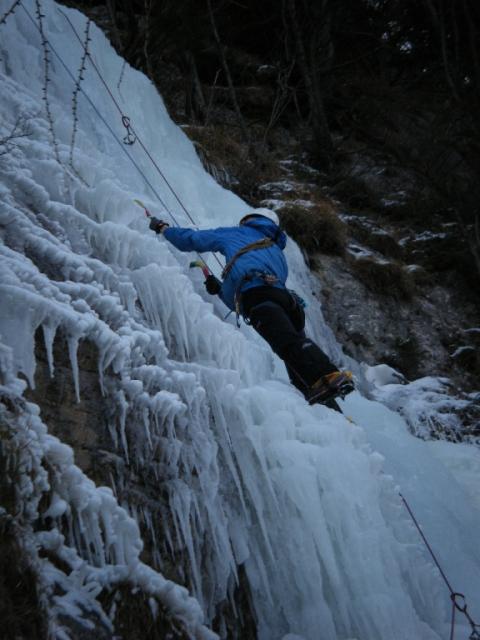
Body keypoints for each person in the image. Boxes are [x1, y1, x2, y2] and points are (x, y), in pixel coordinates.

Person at [149, 208, 353, 405]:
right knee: (292, 347)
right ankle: (320, 398)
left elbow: (191, 240)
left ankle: (328, 375)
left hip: (259, 297)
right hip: (286, 302)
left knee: (286, 343)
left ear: (248, 220)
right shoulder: (275, 251)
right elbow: (244, 292)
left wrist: (164, 228)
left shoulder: (237, 233)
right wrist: (219, 289)